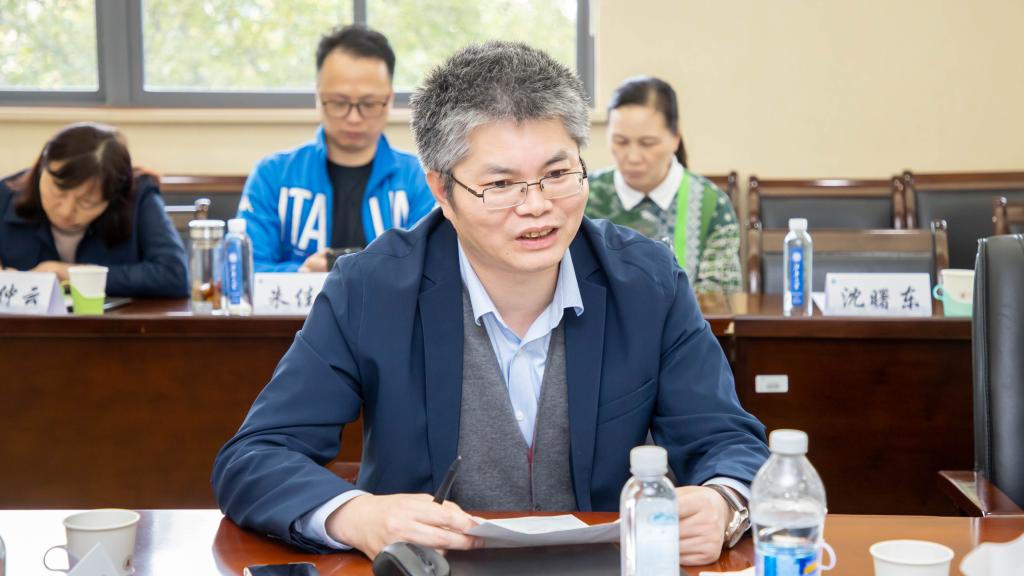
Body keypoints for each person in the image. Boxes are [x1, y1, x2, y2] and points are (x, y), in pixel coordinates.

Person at [213, 42, 767, 567]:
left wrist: (725, 503)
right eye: (501, 184)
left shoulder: (646, 282)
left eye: (557, 174)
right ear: (441, 191)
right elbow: (255, 456)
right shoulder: (370, 289)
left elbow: (727, 439)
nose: (537, 206)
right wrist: (357, 516)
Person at [237, 25, 434, 273]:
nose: (354, 117)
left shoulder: (419, 179)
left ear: (390, 100)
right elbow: (247, 269)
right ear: (318, 96)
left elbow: (431, 270)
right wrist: (303, 277)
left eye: (369, 103)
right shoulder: (272, 176)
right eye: (339, 103)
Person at [586, 76, 742, 294]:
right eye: (620, 141)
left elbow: (719, 298)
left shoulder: (711, 205)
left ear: (675, 138)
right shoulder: (583, 194)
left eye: (647, 143)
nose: (633, 157)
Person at [0, 122, 188, 298]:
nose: (66, 211)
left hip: (115, 322)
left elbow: (174, 275)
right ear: (42, 167)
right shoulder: (5, 195)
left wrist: (71, 273)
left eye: (86, 203)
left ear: (113, 197)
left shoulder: (138, 196)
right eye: (58, 191)